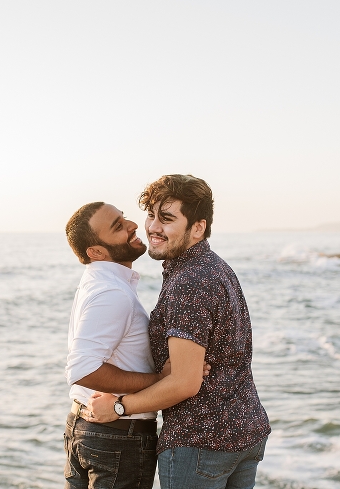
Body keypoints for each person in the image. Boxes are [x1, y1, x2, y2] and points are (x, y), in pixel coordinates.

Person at [87, 175, 271, 489]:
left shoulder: (189, 280)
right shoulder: (215, 267)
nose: (153, 227)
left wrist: (117, 407)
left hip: (200, 442)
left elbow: (185, 383)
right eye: (151, 215)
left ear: (197, 227)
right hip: (244, 433)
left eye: (167, 218)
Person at [62, 202, 161, 489]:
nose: (132, 225)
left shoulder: (102, 283)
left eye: (124, 218)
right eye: (117, 226)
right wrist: (159, 381)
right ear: (96, 252)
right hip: (117, 438)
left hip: (93, 429)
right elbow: (83, 369)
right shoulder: (111, 292)